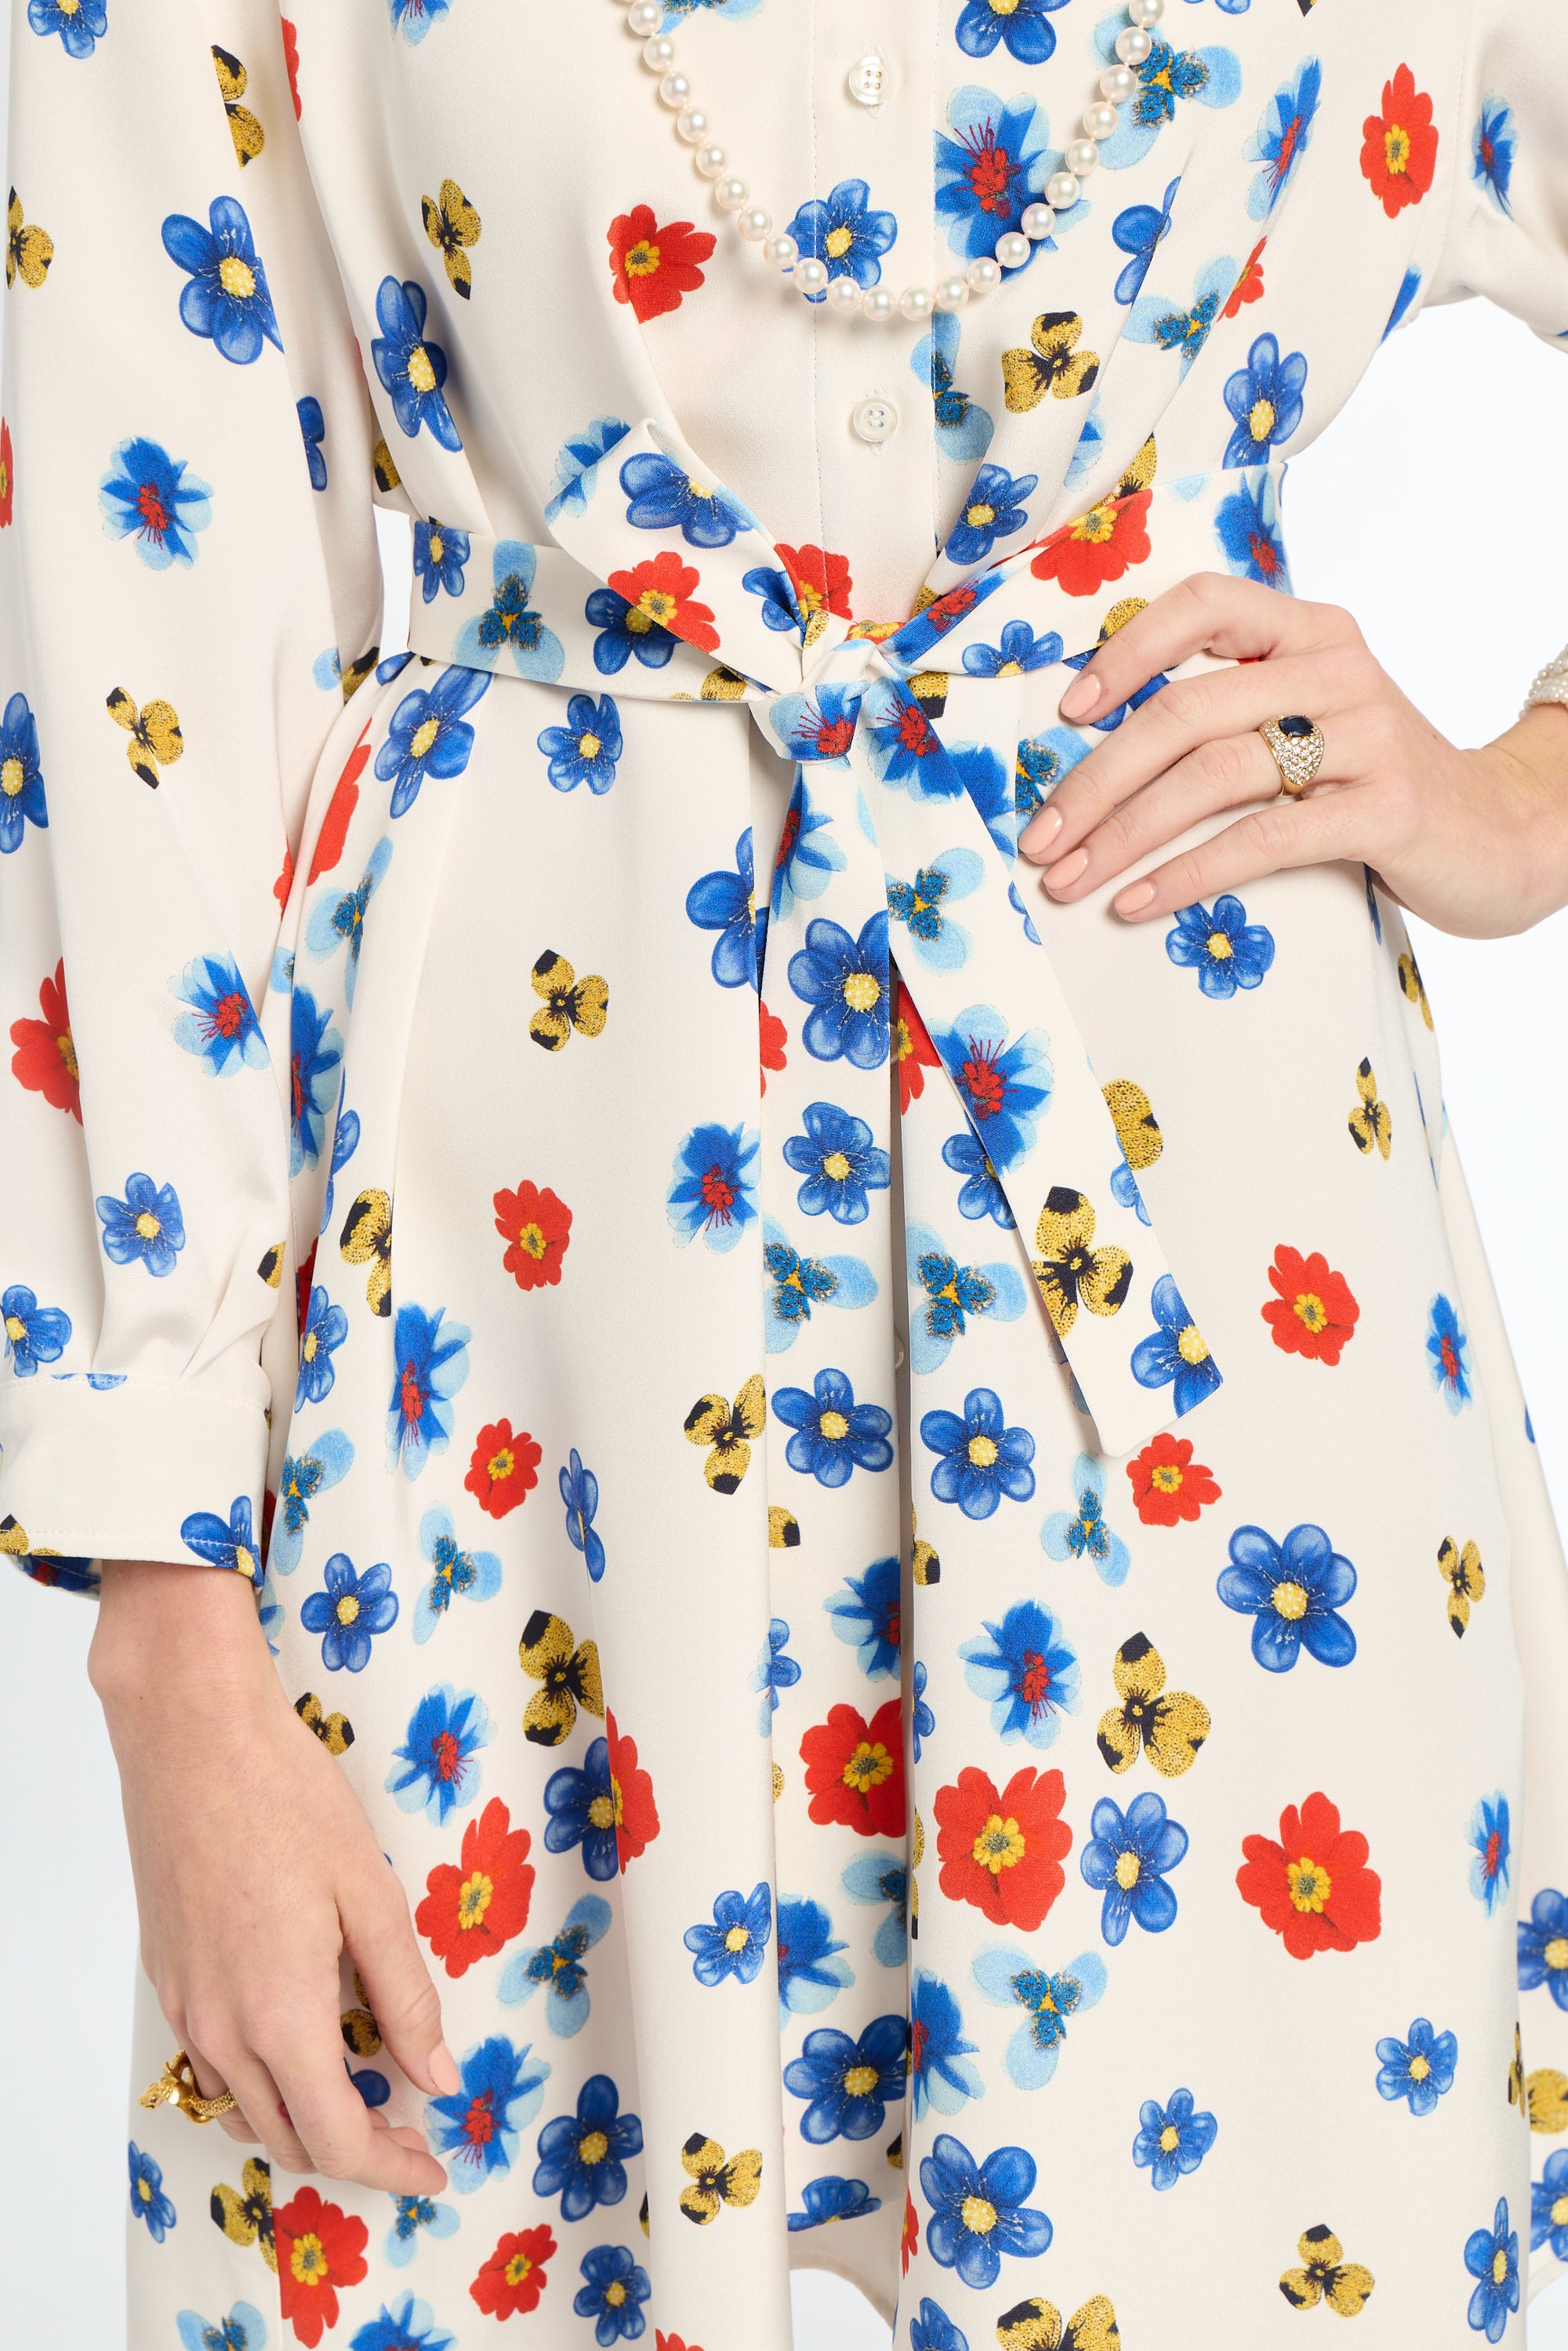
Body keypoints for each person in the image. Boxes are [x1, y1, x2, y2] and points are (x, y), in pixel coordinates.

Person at [3, 0, 1567, 2342]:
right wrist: (171, 1634)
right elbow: (134, 611)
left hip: (1217, 1328)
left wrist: (1524, 797)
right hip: (503, 1368)